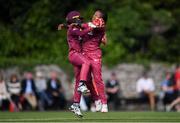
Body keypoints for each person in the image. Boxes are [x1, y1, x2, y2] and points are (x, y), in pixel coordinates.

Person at [58, 11, 100, 117]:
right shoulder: (73, 29)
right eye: (77, 19)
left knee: (78, 80)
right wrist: (91, 27)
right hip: (74, 54)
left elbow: (78, 29)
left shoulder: (73, 27)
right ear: (72, 20)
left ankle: (75, 104)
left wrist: (64, 25)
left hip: (79, 56)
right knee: (87, 63)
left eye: (80, 19)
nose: (80, 21)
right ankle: (82, 85)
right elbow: (80, 33)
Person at [81, 9, 108, 112]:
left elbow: (98, 25)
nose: (94, 16)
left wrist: (90, 25)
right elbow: (80, 27)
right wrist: (69, 26)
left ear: (101, 18)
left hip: (95, 55)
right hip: (84, 55)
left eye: (97, 15)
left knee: (98, 79)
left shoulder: (101, 26)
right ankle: (97, 100)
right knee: (87, 79)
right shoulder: (89, 24)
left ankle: (104, 103)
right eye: (94, 14)